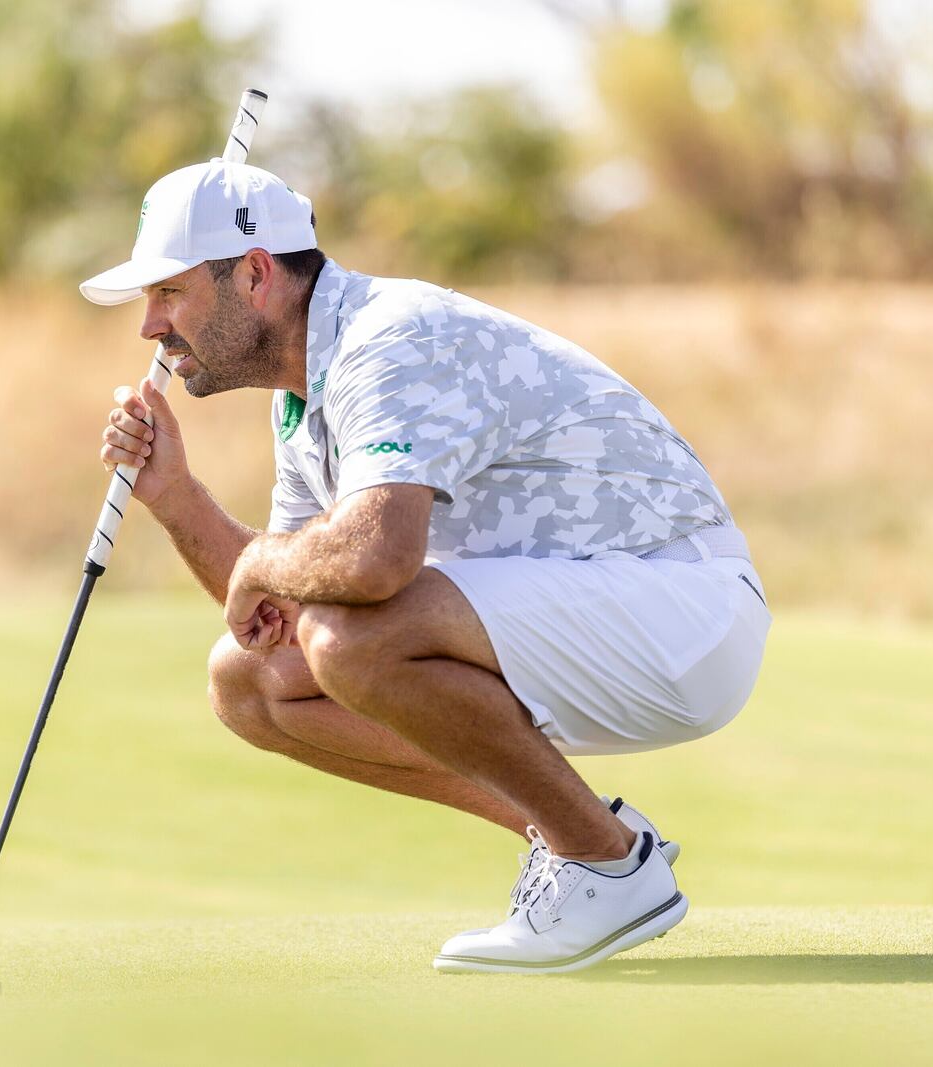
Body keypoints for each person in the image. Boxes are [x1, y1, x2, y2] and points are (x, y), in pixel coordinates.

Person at [78, 159, 770, 974]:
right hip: (604, 618)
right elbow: (278, 617)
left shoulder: (390, 338)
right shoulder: (304, 396)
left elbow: (373, 562)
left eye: (168, 293)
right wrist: (179, 498)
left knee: (351, 638)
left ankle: (606, 868)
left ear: (256, 274)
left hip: (683, 607)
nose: (150, 327)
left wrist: (270, 558)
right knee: (250, 679)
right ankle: (592, 842)